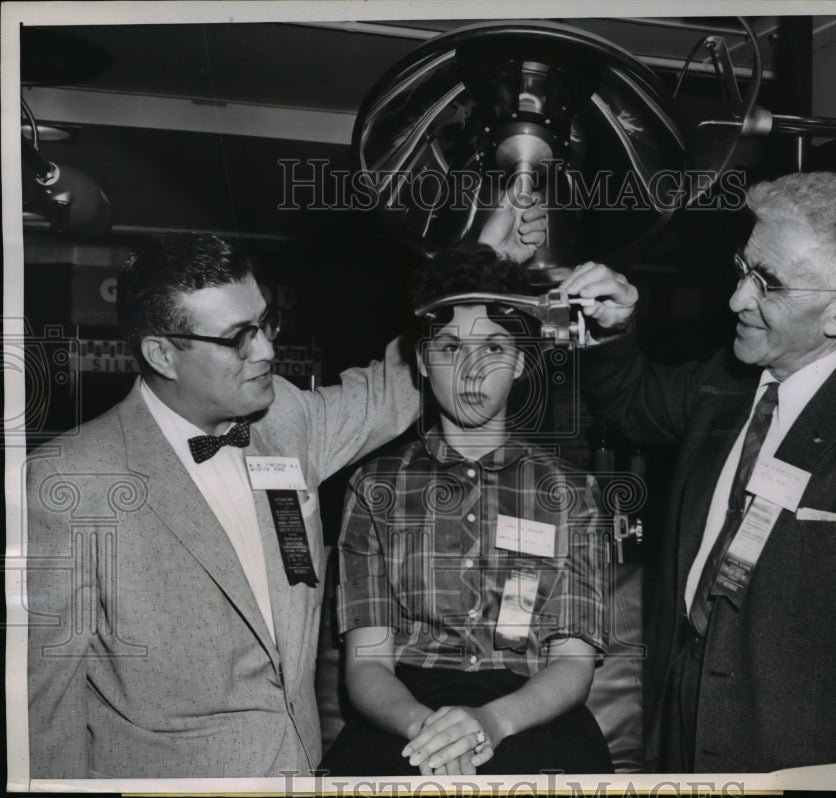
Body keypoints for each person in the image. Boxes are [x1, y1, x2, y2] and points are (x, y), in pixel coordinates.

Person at [26, 204, 546, 779]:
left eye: (265, 324)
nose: (267, 352)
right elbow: (42, 706)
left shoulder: (286, 420)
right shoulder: (68, 477)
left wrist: (482, 267)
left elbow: (391, 389)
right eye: (237, 339)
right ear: (161, 353)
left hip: (302, 769)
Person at [559, 171, 836, 773]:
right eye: (742, 267)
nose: (736, 299)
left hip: (797, 758)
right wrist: (614, 327)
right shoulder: (725, 385)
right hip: (678, 725)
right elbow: (632, 400)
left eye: (768, 283)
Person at [321, 243, 614, 776]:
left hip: (531, 709)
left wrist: (490, 723)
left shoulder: (571, 492)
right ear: (421, 362)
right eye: (451, 348)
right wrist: (426, 730)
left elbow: (572, 663)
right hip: (404, 711)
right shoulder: (374, 487)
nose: (473, 370)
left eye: (494, 348)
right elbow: (367, 664)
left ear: (522, 361)